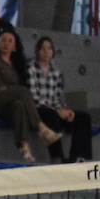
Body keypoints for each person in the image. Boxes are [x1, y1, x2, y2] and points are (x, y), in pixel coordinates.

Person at [0, 29, 49, 163]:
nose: (6, 43)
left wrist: (9, 88)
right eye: (3, 40)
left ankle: (23, 146)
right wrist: (12, 89)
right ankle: (40, 127)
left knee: (18, 105)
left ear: (14, 47)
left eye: (10, 41)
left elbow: (8, 88)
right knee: (22, 91)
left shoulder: (14, 66)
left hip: (9, 102)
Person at [29, 35, 91, 163]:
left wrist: (65, 110)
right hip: (37, 110)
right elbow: (33, 98)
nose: (46, 51)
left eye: (49, 48)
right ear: (38, 51)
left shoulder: (56, 72)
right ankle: (57, 156)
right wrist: (57, 111)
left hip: (53, 109)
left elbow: (57, 97)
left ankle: (78, 156)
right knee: (51, 114)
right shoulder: (31, 68)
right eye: (42, 48)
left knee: (84, 118)